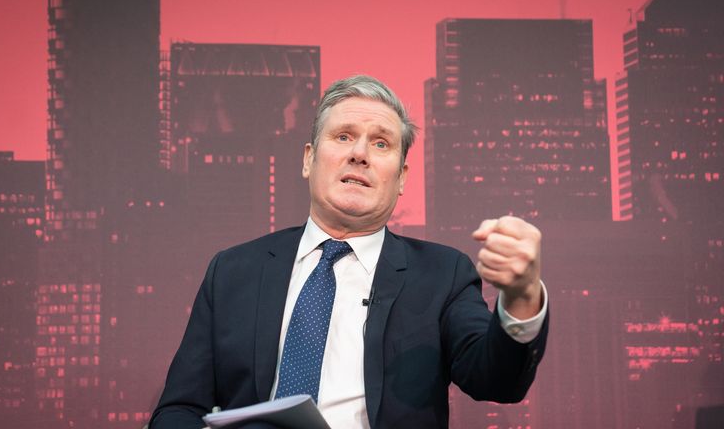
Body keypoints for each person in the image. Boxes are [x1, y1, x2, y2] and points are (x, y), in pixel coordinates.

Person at [149, 75, 549, 429]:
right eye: (343, 137)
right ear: (308, 159)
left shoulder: (443, 274)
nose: (359, 153)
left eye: (380, 143)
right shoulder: (233, 271)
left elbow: (497, 380)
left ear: (402, 177)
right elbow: (178, 410)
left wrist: (522, 295)